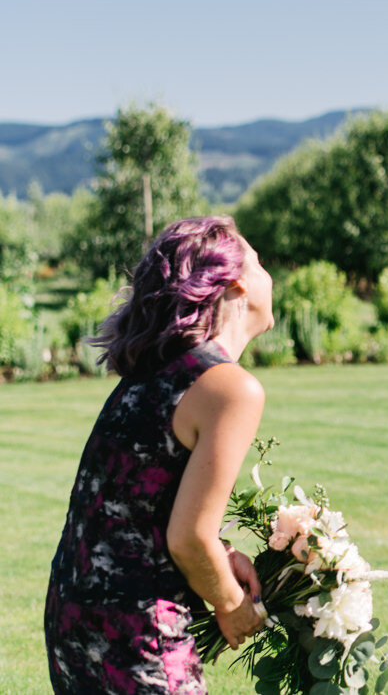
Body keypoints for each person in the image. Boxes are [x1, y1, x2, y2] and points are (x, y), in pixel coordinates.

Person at [45, 216, 275, 694]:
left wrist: (224, 554)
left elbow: (135, 513)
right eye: (258, 263)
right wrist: (232, 606)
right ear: (236, 283)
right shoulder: (231, 388)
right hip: (136, 632)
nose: (268, 275)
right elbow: (189, 538)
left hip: (75, 617)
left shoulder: (153, 374)